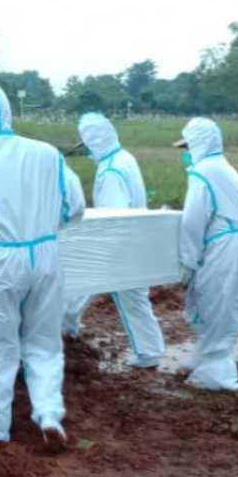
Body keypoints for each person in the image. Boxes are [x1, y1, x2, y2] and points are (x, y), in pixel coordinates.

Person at [0, 75, 85, 444]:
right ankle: (48, 414)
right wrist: (42, 226)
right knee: (44, 342)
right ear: (8, 111)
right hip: (45, 254)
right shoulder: (47, 153)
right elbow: (75, 207)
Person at [62, 113, 165, 368]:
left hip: (119, 245)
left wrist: (99, 250)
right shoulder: (125, 158)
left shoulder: (109, 171)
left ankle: (148, 353)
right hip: (136, 238)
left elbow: (112, 216)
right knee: (129, 297)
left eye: (86, 145)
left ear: (94, 143)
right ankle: (67, 330)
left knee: (81, 287)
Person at [175, 117, 238, 391]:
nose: (185, 154)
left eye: (187, 147)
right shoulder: (222, 168)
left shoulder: (204, 171)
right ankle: (206, 359)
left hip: (229, 246)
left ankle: (217, 375)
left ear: (198, 144)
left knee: (218, 305)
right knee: (212, 301)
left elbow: (193, 220)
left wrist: (188, 260)